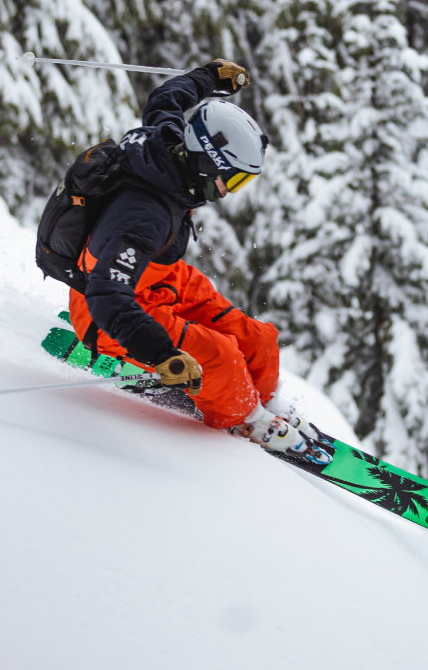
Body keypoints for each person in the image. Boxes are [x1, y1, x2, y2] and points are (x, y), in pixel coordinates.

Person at [67, 59, 329, 464]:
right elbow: (105, 293)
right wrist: (160, 353)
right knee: (219, 356)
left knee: (258, 339)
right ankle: (242, 417)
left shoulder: (171, 142)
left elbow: (166, 99)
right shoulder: (144, 216)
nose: (230, 191)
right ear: (209, 163)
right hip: (109, 308)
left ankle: (262, 400)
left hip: (161, 276)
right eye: (235, 179)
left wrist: (212, 77)